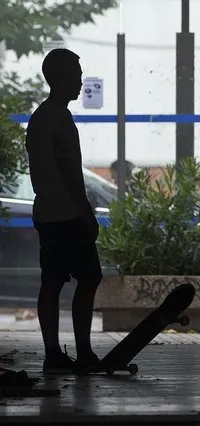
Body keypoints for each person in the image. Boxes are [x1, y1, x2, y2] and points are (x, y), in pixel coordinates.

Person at [25, 48, 102, 374]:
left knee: (52, 282)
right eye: (77, 74)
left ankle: (53, 353)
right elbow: (69, 169)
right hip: (67, 215)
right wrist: (85, 211)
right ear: (61, 77)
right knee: (89, 277)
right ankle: (84, 352)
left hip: (46, 212)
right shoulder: (60, 118)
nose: (81, 81)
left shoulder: (40, 116)